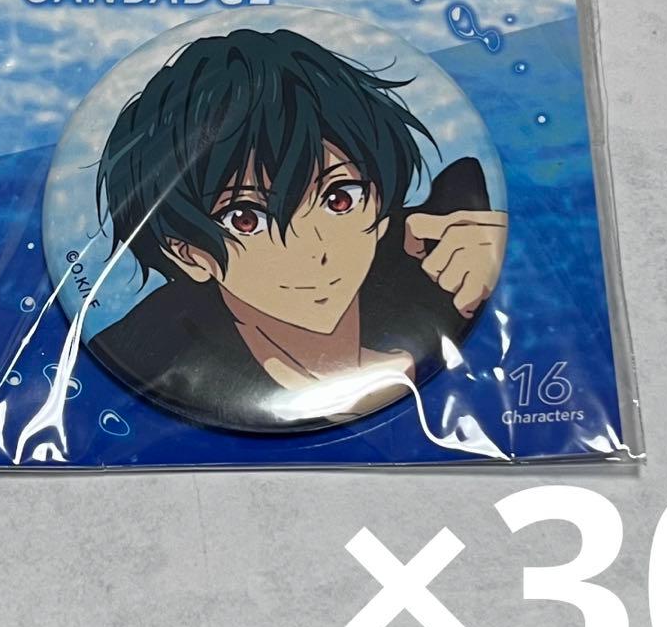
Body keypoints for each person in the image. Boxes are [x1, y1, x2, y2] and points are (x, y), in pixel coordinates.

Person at [89, 28, 507, 431]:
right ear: (190, 255)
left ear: (380, 208)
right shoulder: (150, 359)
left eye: (339, 199)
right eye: (247, 219)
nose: (314, 251)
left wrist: (499, 275)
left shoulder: (441, 260)